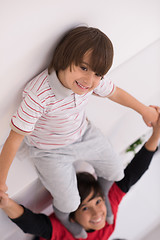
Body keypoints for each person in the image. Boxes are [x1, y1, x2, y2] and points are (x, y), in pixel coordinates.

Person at [0, 26, 158, 237]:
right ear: (64, 58)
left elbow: (115, 92)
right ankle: (67, 218)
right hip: (50, 151)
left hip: (83, 134)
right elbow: (14, 139)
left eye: (98, 74)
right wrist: (1, 182)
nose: (90, 81)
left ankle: (98, 201)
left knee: (115, 170)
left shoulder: (91, 83)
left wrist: (144, 110)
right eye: (83, 68)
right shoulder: (39, 95)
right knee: (70, 201)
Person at [0, 113, 160, 240]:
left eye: (97, 202)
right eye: (85, 207)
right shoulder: (107, 226)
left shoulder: (74, 230)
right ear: (73, 219)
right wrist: (155, 135)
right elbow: (133, 174)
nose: (97, 213)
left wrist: (5, 202)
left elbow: (34, 226)